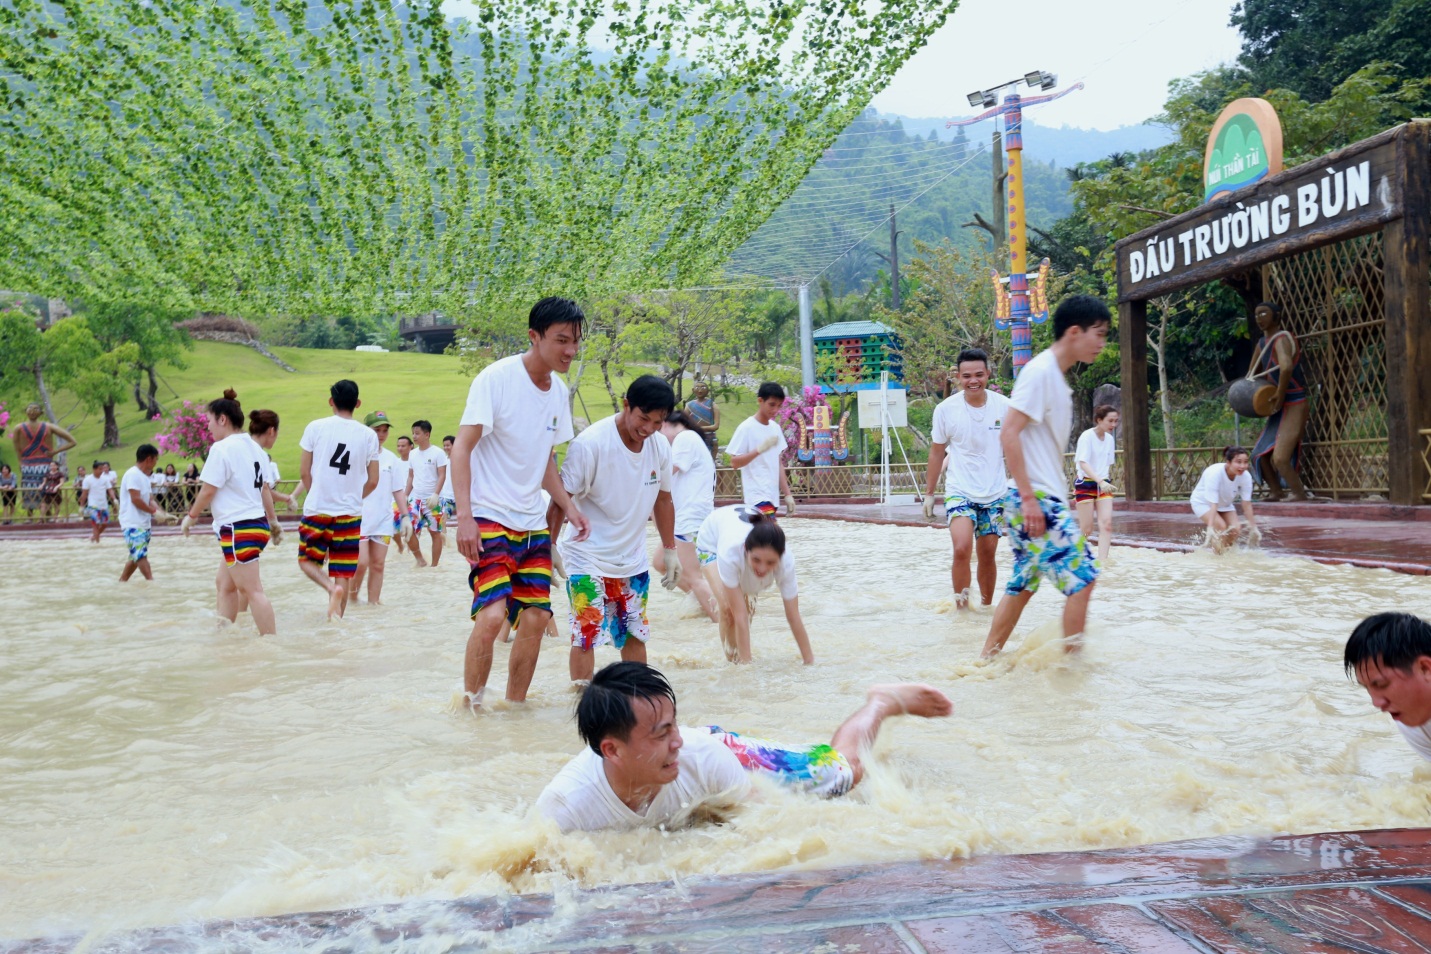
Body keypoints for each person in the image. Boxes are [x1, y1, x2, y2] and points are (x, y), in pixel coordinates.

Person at [537, 661, 953, 833]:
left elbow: (771, 827)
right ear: (612, 750)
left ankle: (881, 702)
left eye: (674, 724)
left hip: (727, 753)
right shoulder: (565, 808)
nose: (675, 740)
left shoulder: (697, 753)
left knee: (843, 772)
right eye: (661, 734)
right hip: (695, 781)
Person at [451, 296, 591, 708]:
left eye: (576, 341)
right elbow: (461, 449)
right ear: (534, 336)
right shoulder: (495, 379)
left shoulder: (558, 391)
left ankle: (514, 710)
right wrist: (464, 518)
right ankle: (471, 706)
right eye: (562, 340)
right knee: (493, 617)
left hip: (531, 524)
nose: (570, 350)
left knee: (536, 618)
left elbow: (544, 458)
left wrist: (569, 506)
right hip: (488, 516)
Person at [981, 295, 1110, 658]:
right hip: (1032, 498)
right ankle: (1071, 670)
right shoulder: (1039, 373)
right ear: (1074, 331)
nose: (1101, 343)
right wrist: (1028, 498)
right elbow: (1008, 433)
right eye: (1098, 334)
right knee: (1084, 578)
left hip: (1036, 498)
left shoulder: (1054, 377)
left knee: (1024, 584)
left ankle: (986, 661)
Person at [549, 375, 678, 687]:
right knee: (587, 632)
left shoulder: (659, 447)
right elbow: (559, 499)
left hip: (631, 559)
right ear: (626, 405)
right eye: (643, 418)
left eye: (657, 422)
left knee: (635, 632)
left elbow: (663, 500)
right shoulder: (591, 444)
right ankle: (582, 703)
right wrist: (549, 547)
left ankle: (638, 698)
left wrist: (670, 549)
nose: (647, 429)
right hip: (586, 556)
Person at [182, 391, 280, 636]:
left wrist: (190, 517)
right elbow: (265, 489)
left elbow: (207, 491)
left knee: (253, 591)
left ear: (223, 419)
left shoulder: (222, 448)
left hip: (239, 528)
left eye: (210, 421)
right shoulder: (255, 448)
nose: (208, 426)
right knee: (224, 584)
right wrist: (273, 521)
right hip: (255, 525)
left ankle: (272, 644)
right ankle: (224, 635)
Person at [923, 348, 1011, 610]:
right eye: (967, 376)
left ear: (988, 374)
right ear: (958, 377)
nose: (973, 381)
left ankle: (985, 609)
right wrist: (929, 494)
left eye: (979, 375)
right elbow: (937, 451)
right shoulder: (945, 409)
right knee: (962, 547)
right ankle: (962, 611)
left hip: (994, 492)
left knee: (987, 554)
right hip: (959, 489)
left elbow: (1018, 446)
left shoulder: (1004, 406)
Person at [292, 380, 380, 619]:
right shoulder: (369, 436)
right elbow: (373, 480)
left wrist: (317, 493)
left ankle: (331, 589)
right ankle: (337, 621)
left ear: (331, 401)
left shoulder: (315, 427)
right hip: (350, 514)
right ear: (358, 404)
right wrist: (352, 497)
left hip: (318, 509)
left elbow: (304, 472)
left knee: (306, 561)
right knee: (342, 569)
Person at [696, 504, 813, 665]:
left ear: (780, 557)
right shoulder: (731, 553)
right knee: (728, 610)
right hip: (711, 543)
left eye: (770, 562)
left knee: (748, 608)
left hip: (742, 530)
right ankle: (733, 663)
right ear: (745, 550)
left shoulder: (786, 562)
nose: (762, 568)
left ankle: (742, 656)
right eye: (756, 560)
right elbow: (739, 616)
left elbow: (793, 616)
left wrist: (809, 662)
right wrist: (747, 670)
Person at [652, 409, 718, 621]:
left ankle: (725, 622)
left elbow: (666, 473)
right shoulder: (691, 440)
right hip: (685, 518)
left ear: (664, 424)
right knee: (660, 561)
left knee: (694, 576)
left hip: (690, 518)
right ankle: (704, 601)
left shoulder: (685, 437)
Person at [1345, 612, 1431, 763]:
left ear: (1425, 668)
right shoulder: (1412, 722)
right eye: (1367, 688)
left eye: (1381, 685)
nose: (1377, 703)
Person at [1247, 301, 1309, 501]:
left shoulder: (1281, 338)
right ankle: (1276, 491)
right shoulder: (1261, 343)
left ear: (1276, 315)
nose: (1259, 318)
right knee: (1259, 455)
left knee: (1280, 458)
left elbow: (1286, 367)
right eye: (1257, 314)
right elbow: (1251, 375)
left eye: (1264, 313)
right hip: (1278, 406)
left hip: (1294, 402)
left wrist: (1280, 394)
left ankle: (1299, 494)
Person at [352, 411, 412, 605]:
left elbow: (397, 490)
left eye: (385, 430)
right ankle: (351, 599)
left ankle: (373, 605)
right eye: (377, 430)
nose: (381, 434)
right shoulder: (355, 455)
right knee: (360, 564)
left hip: (382, 520)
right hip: (358, 518)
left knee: (378, 564)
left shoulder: (390, 459)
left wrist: (405, 516)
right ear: (366, 431)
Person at [727, 382, 795, 515]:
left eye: (779, 406)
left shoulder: (775, 428)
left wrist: (787, 495)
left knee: (767, 534)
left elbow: (778, 463)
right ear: (760, 401)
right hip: (756, 496)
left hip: (772, 496)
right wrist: (758, 450)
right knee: (771, 532)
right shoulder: (746, 428)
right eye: (771, 404)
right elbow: (734, 462)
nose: (775, 410)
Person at [119, 444, 174, 581]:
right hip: (132, 523)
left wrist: (163, 513)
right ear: (149, 459)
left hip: (143, 523)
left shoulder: (144, 477)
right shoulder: (132, 474)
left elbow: (150, 500)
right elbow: (135, 499)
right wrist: (154, 512)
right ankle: (151, 582)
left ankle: (122, 582)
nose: (156, 462)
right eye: (156, 459)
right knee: (140, 556)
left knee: (136, 556)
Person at [1190, 446, 1260, 553]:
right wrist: (1210, 527)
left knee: (1235, 529)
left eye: (1245, 462)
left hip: (1224, 504)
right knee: (1220, 527)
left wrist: (1253, 527)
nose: (1242, 466)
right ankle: (1217, 557)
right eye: (1238, 462)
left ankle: (1226, 555)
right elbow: (1213, 503)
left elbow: (1246, 503)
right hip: (1203, 503)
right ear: (1228, 462)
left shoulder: (1246, 476)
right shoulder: (1215, 473)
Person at [11, 402, 77, 518]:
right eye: (30, 409)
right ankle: (30, 517)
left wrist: (55, 452)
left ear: (40, 412)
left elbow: (72, 441)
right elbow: (17, 448)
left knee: (47, 491)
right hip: (28, 465)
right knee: (29, 491)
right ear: (26, 411)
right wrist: (20, 461)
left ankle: (48, 515)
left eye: (35, 409)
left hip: (45, 464)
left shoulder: (48, 427)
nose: (32, 411)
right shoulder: (19, 428)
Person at [1073, 405, 1120, 565]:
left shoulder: (1110, 439)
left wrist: (1103, 482)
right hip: (1085, 484)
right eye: (1110, 421)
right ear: (1099, 420)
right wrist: (1098, 480)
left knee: (1106, 524)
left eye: (1116, 421)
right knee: (1086, 529)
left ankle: (1103, 562)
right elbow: (1083, 462)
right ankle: (1077, 556)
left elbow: (1107, 464)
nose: (1113, 425)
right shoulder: (1087, 437)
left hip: (1104, 484)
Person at [407, 420, 449, 568]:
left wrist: (436, 494)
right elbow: (411, 476)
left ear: (427, 434)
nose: (414, 436)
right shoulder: (412, 454)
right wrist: (405, 496)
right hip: (416, 498)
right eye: (413, 433)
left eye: (417, 433)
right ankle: (420, 559)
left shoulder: (438, 453)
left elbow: (442, 475)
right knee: (407, 529)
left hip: (433, 500)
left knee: (435, 533)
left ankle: (434, 566)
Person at [81, 460, 117, 543]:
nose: (102, 471)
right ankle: (97, 543)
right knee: (95, 525)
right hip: (93, 505)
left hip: (103, 505)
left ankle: (94, 536)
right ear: (94, 469)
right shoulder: (87, 480)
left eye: (102, 469)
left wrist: (114, 499)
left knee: (105, 524)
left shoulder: (105, 479)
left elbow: (110, 490)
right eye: (100, 469)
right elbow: (84, 494)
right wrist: (81, 506)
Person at [685, 381, 721, 451]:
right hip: (693, 436)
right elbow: (684, 423)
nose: (700, 390)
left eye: (703, 387)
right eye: (697, 387)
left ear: (708, 391)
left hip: (709, 437)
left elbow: (716, 426)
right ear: (693, 390)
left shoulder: (713, 406)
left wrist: (698, 428)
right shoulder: (689, 405)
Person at [392, 435, 413, 554]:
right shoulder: (394, 462)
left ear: (411, 447)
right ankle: (400, 545)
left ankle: (412, 551)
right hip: (396, 499)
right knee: (393, 525)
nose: (400, 448)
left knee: (413, 527)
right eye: (398, 446)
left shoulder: (414, 461)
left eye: (403, 446)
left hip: (412, 499)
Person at [439, 434, 457, 530]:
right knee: (444, 517)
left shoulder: (460, 460)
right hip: (447, 496)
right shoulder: (444, 461)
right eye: (444, 445)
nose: (445, 447)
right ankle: (444, 539)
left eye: (448, 445)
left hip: (458, 496)